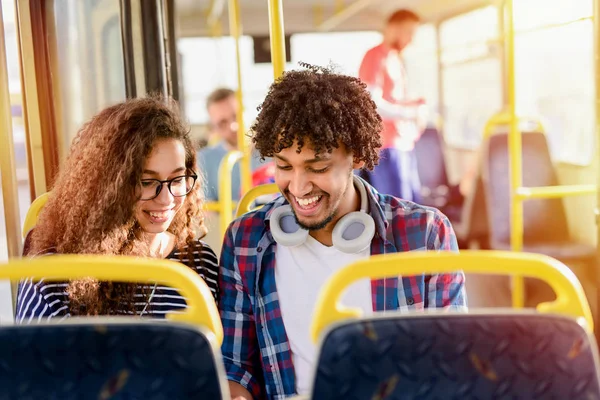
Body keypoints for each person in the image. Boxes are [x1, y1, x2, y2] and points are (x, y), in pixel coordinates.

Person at [219, 63, 467, 399]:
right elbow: (236, 367)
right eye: (283, 166)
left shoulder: (425, 233)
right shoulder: (245, 241)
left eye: (317, 168)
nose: (298, 186)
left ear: (355, 156)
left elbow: (448, 362)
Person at [15, 96, 219, 323]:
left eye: (177, 179)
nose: (166, 198)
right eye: (146, 182)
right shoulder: (55, 275)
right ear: (107, 186)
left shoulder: (199, 263)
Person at [357, 9, 426, 202]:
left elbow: (392, 98)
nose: (411, 40)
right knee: (396, 210)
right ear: (393, 28)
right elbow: (372, 104)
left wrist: (415, 104)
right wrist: (410, 114)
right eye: (409, 33)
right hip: (385, 146)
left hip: (404, 143)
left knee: (413, 207)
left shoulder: (394, 58)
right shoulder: (374, 57)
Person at [197, 88, 270, 201]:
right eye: (222, 123)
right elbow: (207, 212)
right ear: (213, 126)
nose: (233, 126)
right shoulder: (204, 160)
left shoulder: (273, 151)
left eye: (236, 116)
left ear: (246, 111)